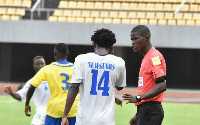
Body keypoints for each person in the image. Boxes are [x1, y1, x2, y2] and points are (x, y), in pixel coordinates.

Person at [62, 28, 126, 125]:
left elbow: (74, 87)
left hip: (84, 120)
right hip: (106, 121)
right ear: (112, 46)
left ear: (94, 44)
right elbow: (120, 86)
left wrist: (65, 115)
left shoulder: (81, 59)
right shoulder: (119, 62)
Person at [122, 25, 166, 125]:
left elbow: (162, 85)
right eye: (131, 39)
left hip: (151, 111)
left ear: (146, 38)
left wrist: (138, 98)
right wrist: (137, 115)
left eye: (136, 39)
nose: (132, 42)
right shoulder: (147, 57)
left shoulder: (154, 57)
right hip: (146, 110)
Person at [25, 43, 79, 125]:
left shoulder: (47, 69)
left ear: (55, 54)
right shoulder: (76, 68)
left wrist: (27, 103)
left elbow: (32, 86)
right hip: (73, 109)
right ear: (67, 54)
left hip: (55, 110)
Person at [5, 56, 50, 125]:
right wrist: (11, 93)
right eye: (37, 64)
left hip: (55, 110)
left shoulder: (52, 78)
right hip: (42, 111)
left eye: (42, 64)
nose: (40, 66)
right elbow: (20, 96)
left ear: (45, 65)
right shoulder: (31, 82)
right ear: (34, 66)